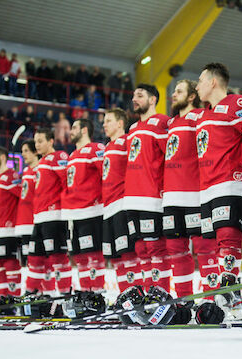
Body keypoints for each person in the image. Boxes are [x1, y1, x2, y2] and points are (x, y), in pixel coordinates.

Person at [195, 63, 242, 316]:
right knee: (214, 243)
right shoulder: (203, 115)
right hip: (207, 187)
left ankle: (231, 291)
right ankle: (225, 297)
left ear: (213, 82)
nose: (197, 86)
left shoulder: (237, 103)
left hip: (230, 181)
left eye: (200, 81)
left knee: (228, 238)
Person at [163, 80, 215, 301]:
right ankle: (184, 301)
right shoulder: (171, 122)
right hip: (171, 196)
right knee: (175, 248)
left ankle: (211, 300)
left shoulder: (201, 117)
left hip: (195, 194)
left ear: (192, 96)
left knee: (205, 248)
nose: (173, 94)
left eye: (179, 91)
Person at [122, 84, 171, 291]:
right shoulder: (132, 128)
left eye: (140, 95)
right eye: (134, 95)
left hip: (152, 196)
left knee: (155, 247)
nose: (135, 99)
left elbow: (170, 157)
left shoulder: (162, 122)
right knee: (140, 248)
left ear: (153, 100)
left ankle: (161, 294)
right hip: (132, 197)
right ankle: (146, 294)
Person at [62, 118, 106, 291]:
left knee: (93, 255)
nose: (70, 131)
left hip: (91, 211)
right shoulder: (72, 155)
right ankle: (86, 294)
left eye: (74, 128)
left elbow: (106, 173)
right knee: (79, 257)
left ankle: (97, 294)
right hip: (73, 214)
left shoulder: (96, 149)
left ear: (85, 130)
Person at [29, 128, 72, 294]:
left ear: (51, 141)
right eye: (35, 142)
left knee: (58, 258)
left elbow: (67, 182)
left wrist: (65, 209)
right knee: (35, 258)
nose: (37, 145)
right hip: (39, 218)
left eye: (40, 141)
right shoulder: (42, 162)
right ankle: (36, 294)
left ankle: (64, 294)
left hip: (54, 217)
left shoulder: (58, 157)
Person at [101, 108, 137, 291]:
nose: (104, 125)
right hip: (108, 208)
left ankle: (135, 293)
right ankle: (125, 296)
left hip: (122, 206)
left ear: (120, 123)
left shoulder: (127, 141)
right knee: (115, 258)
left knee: (128, 255)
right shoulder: (108, 146)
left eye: (108, 121)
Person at [0, 146, 22, 298]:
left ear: (3, 157)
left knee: (10, 263)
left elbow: (23, 196)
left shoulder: (11, 175)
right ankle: (2, 298)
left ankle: (13, 298)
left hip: (6, 229)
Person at [15, 140, 38, 270]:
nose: (23, 154)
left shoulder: (40, 169)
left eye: (26, 151)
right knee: (25, 258)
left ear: (35, 152)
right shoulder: (25, 171)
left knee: (37, 257)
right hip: (23, 222)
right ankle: (28, 286)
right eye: (22, 151)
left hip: (34, 220)